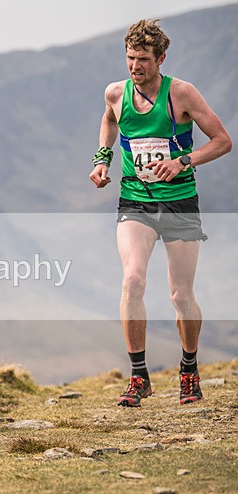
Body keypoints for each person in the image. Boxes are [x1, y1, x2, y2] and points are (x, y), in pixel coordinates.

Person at [89, 20, 231, 407]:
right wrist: (102, 159)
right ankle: (139, 377)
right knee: (132, 281)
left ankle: (189, 370)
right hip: (135, 200)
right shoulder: (115, 93)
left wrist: (182, 161)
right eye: (130, 58)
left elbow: (222, 141)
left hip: (180, 202)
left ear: (161, 59)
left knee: (180, 295)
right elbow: (109, 120)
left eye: (143, 60)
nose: (135, 66)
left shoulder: (181, 93)